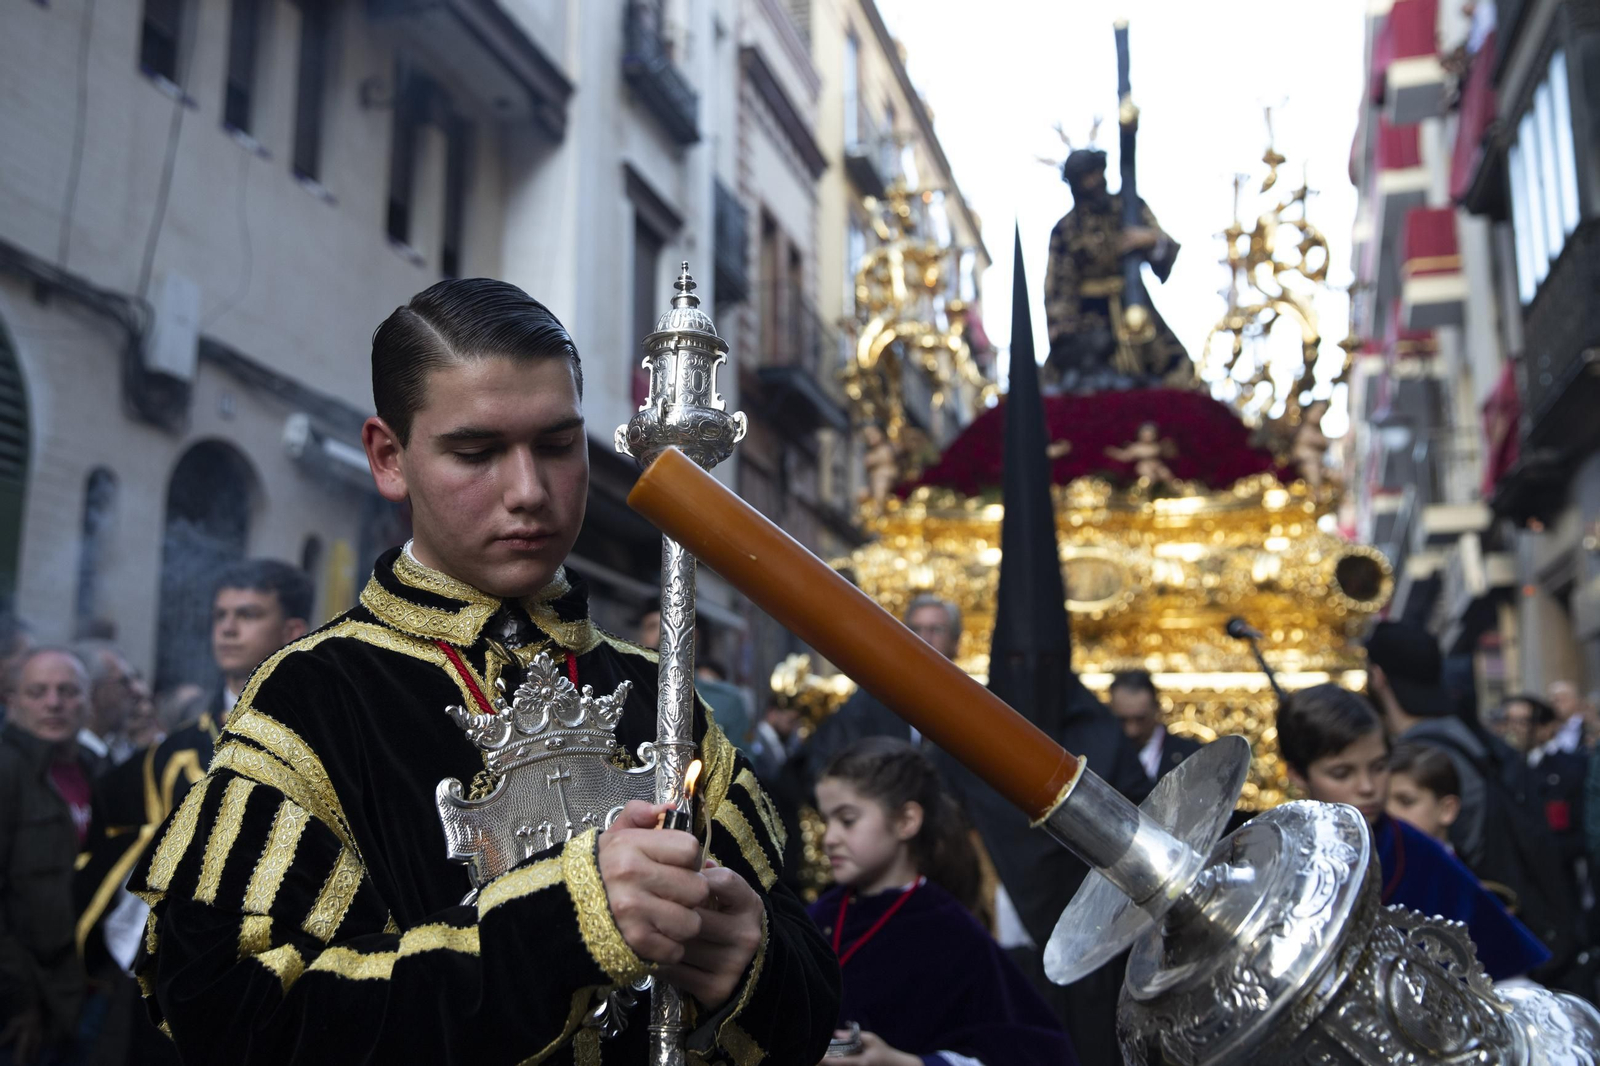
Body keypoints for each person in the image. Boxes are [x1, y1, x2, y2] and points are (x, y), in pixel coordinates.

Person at [125, 278, 838, 1064]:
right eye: (477, 452)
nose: (529, 492)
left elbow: (807, 993)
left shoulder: (661, 693)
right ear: (389, 458)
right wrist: (560, 928)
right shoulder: (314, 699)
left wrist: (751, 960)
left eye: (558, 446)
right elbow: (230, 1017)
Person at [810, 738, 1076, 1066]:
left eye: (847, 820)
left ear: (906, 820)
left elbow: (1033, 1050)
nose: (830, 838)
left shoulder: (950, 931)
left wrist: (907, 1063)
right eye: (826, 821)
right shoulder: (818, 917)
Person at [1277, 683, 1548, 981]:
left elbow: (1507, 981)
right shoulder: (1277, 860)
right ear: (1298, 775)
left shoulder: (1419, 855)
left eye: (1379, 767)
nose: (1368, 787)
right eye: (1342, 773)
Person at [0, 648, 98, 1064]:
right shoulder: (6, 771)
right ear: (13, 701)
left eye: (67, 691)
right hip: (24, 1001)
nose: (53, 703)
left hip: (83, 994)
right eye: (37, 692)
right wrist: (17, 997)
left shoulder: (98, 770)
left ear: (87, 701)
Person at [1042, 147, 1188, 392]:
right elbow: (1057, 285)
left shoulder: (1128, 206)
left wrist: (1150, 240)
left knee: (1173, 368)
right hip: (1088, 316)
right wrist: (1063, 331)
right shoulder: (1065, 228)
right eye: (1084, 178)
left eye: (1094, 174)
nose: (1092, 183)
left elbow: (1164, 247)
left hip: (1134, 303)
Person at [803, 595, 961, 788]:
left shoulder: (971, 707)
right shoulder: (873, 699)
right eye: (915, 630)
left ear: (955, 642)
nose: (924, 639)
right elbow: (824, 762)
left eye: (936, 630)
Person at [636, 602, 752, 757]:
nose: (661, 636)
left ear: (692, 636)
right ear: (641, 636)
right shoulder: (628, 692)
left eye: (671, 626)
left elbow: (742, 763)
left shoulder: (726, 701)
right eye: (652, 627)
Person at [1108, 670, 1200, 785]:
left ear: (1157, 709)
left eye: (1141, 719)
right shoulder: (1101, 758)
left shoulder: (1191, 756)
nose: (1132, 731)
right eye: (1123, 720)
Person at [74, 641, 149, 768]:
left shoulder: (112, 754)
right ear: (92, 691)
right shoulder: (74, 761)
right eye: (124, 682)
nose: (135, 691)